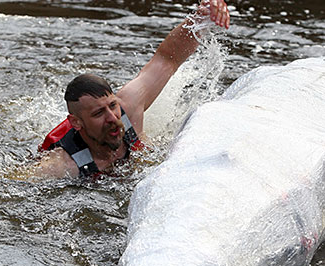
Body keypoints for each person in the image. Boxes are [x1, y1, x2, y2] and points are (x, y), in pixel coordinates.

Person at [35, 0, 230, 178]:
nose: (113, 118)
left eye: (112, 105)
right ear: (77, 123)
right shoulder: (61, 165)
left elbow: (167, 59)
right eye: (98, 113)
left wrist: (201, 17)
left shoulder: (128, 106)